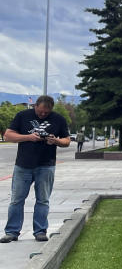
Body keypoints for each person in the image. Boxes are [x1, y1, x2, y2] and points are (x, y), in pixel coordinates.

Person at [1, 95, 70, 243]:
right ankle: (12, 232)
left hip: (46, 165)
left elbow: (67, 141)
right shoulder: (22, 115)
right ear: (35, 106)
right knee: (16, 200)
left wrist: (56, 140)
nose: (43, 115)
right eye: (40, 112)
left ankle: (40, 231)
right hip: (23, 165)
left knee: (43, 200)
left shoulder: (58, 119)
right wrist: (28, 137)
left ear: (51, 109)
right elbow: (8, 136)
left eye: (46, 112)